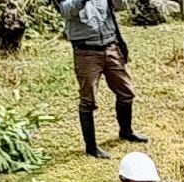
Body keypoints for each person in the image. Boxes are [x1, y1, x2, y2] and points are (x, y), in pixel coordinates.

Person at [55, 0, 147, 158]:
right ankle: (91, 147)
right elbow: (66, 10)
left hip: (111, 46)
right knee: (88, 101)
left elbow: (121, 6)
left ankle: (126, 131)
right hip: (86, 52)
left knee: (126, 92)